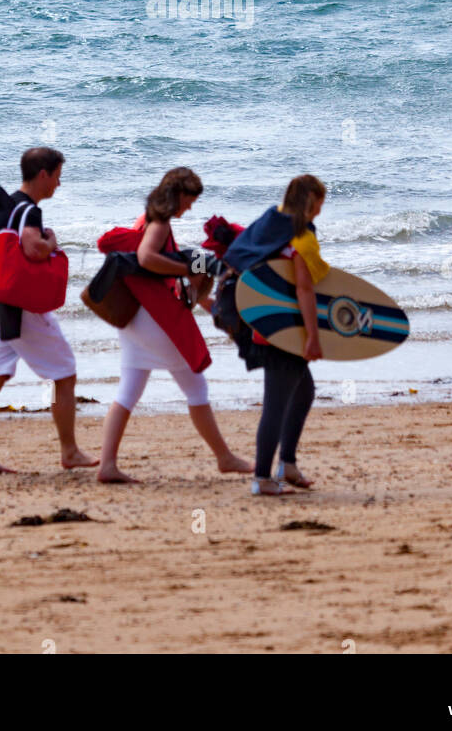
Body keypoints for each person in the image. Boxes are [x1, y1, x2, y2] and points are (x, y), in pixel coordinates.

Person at [98, 167, 252, 483]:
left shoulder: (148, 217)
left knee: (129, 389)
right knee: (195, 385)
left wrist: (206, 303)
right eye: (190, 200)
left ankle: (107, 465)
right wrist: (186, 267)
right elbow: (146, 258)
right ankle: (225, 458)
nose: (190, 208)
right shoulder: (159, 222)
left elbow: (156, 273)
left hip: (136, 318)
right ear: (178, 194)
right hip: (152, 318)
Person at [0, 146, 97, 475]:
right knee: (64, 374)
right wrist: (52, 242)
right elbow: (34, 248)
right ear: (44, 174)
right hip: (21, 309)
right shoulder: (29, 211)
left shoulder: (7, 205)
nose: (58, 184)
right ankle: (69, 451)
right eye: (57, 176)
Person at [223, 175, 328, 496]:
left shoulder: (268, 224)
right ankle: (262, 478)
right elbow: (305, 289)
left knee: (304, 390)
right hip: (286, 332)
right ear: (310, 203)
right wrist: (313, 336)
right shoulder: (301, 238)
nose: (320, 214)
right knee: (275, 405)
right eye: (319, 205)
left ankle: (288, 465)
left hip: (265, 324)